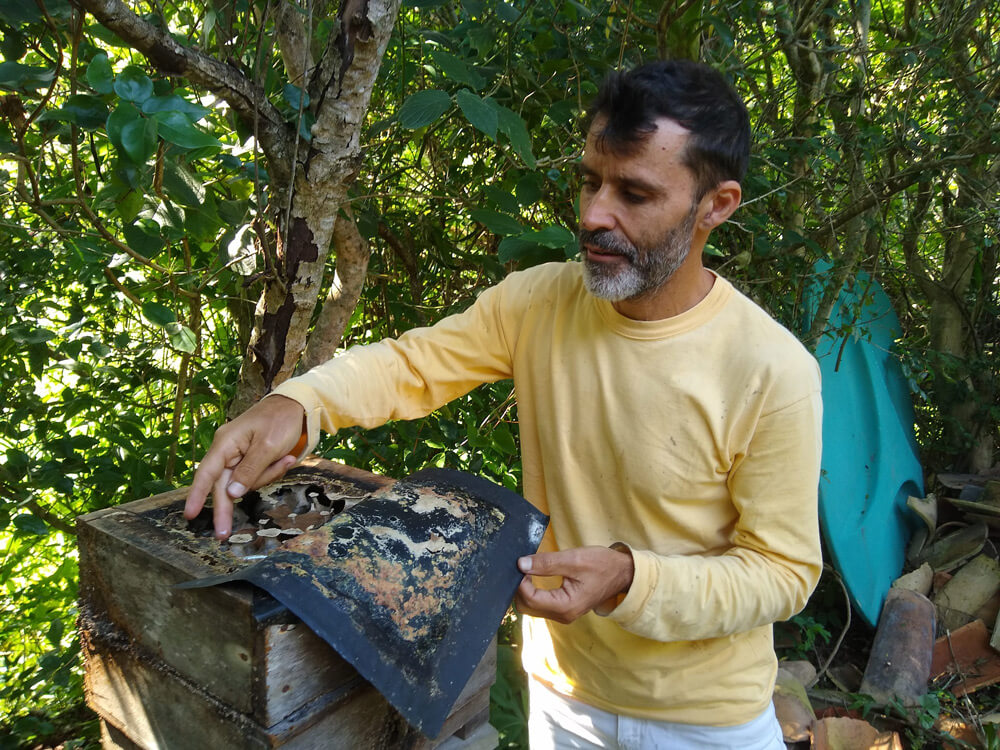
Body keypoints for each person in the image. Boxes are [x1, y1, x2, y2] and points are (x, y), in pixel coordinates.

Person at [186, 59, 822, 749]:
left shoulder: (771, 370)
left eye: (634, 193)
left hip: (710, 722)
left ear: (716, 206)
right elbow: (411, 365)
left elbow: (782, 572)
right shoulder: (538, 302)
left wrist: (631, 577)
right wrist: (298, 403)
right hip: (560, 697)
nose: (593, 215)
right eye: (589, 181)